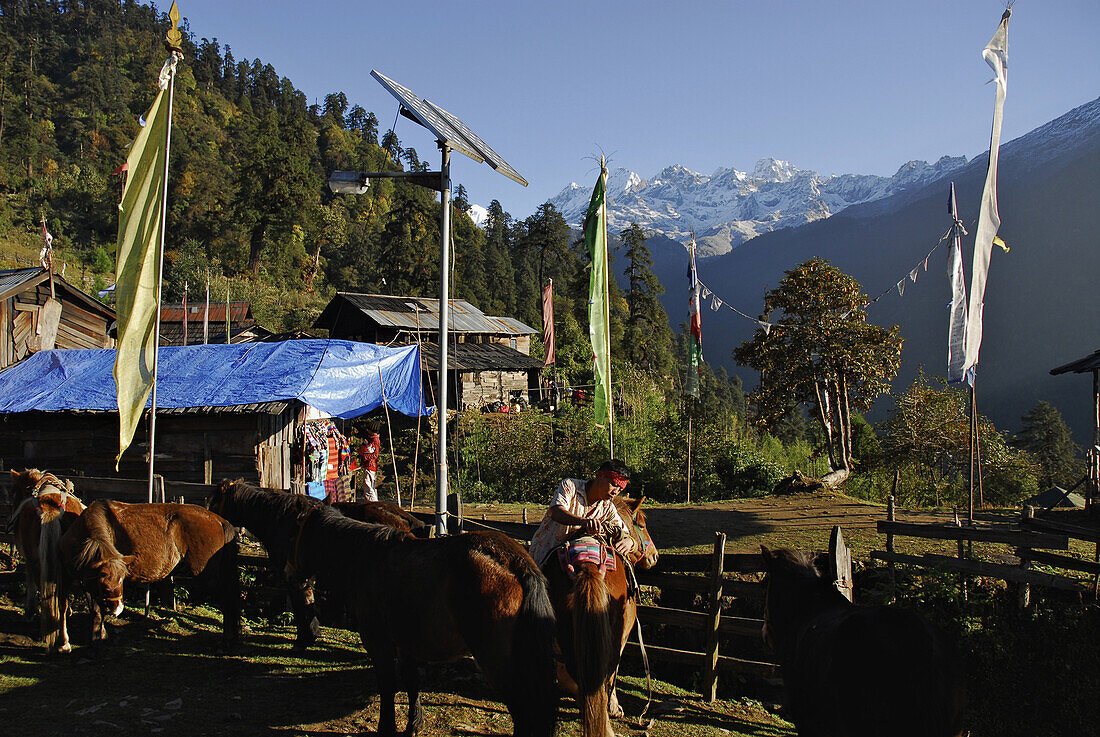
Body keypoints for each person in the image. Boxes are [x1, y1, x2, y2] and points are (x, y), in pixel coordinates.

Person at [528, 459, 636, 567]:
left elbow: (624, 531)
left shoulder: (608, 508)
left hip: (574, 558)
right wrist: (582, 522)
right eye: (613, 484)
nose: (615, 492)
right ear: (599, 475)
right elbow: (556, 511)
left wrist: (630, 542)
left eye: (620, 489)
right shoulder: (570, 486)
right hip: (545, 554)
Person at [358, 431, 381, 502]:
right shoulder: (372, 440)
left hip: (370, 466)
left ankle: (373, 503)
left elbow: (374, 455)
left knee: (368, 487)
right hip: (371, 466)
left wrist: (363, 455)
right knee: (370, 486)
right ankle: (372, 502)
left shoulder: (375, 441)